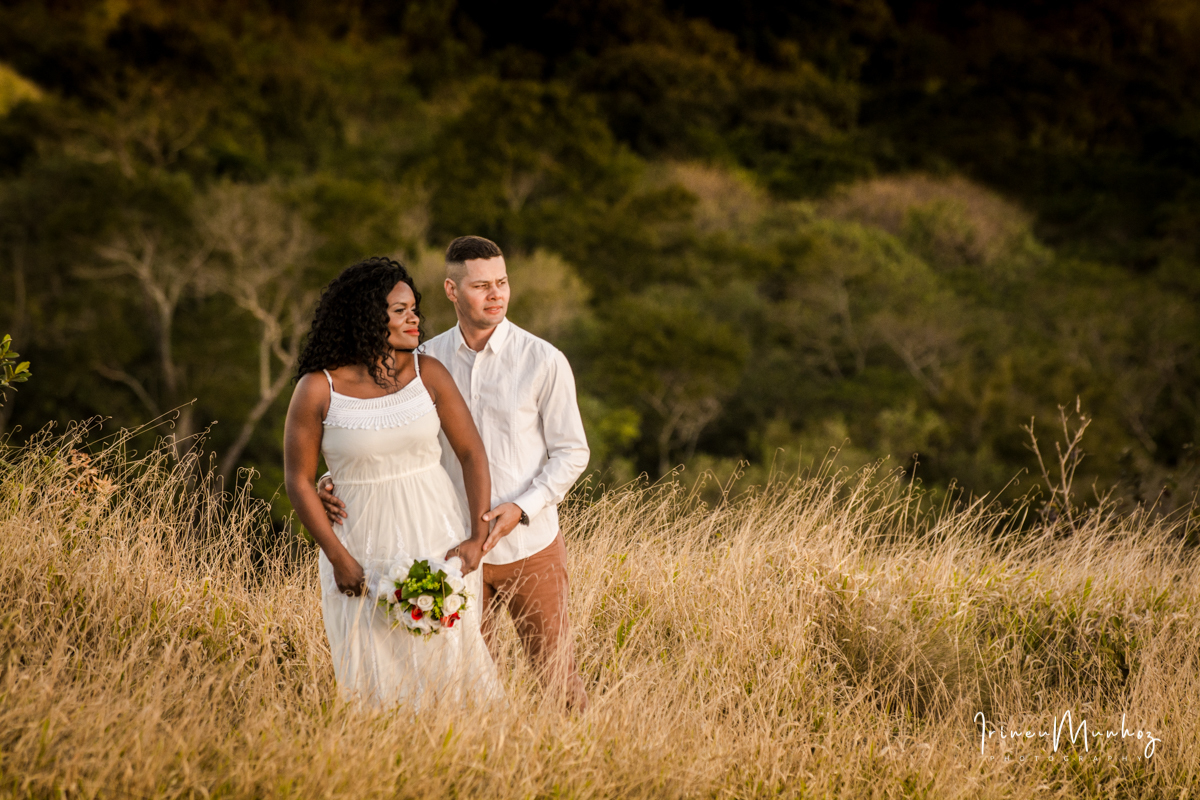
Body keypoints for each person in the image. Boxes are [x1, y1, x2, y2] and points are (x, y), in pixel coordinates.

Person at [319, 236, 591, 710]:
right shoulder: (421, 361)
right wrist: (335, 477)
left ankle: (583, 755)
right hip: (449, 551)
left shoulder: (543, 360)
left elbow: (572, 452)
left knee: (559, 680)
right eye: (482, 285)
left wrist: (521, 508)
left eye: (502, 282)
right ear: (451, 290)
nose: (496, 294)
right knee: (463, 685)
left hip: (530, 547)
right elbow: (381, 429)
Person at [284, 256, 500, 709]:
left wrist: (477, 539)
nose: (414, 318)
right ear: (366, 317)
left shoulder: (427, 373)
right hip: (358, 548)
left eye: (413, 309)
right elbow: (298, 480)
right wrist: (339, 558)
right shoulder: (318, 389)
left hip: (437, 536)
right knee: (373, 673)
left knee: (448, 662)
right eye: (400, 310)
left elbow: (472, 453)